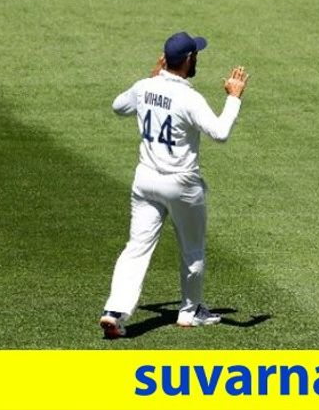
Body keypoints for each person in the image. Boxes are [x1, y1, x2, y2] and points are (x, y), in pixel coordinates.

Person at [99, 32, 249, 339]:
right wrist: (233, 96)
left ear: (165, 60)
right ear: (189, 60)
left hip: (145, 181)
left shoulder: (144, 87)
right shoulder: (189, 98)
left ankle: (114, 311)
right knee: (192, 250)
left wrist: (149, 81)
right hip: (181, 185)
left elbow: (117, 106)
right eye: (197, 56)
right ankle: (189, 311)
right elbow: (219, 133)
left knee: (136, 247)